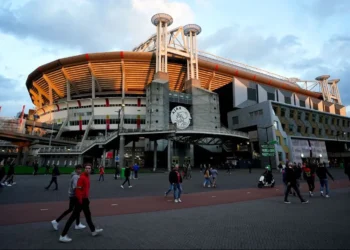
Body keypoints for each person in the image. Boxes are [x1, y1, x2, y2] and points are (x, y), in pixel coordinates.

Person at [59, 163, 103, 243]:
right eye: (86, 168)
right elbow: (78, 190)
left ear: (91, 169)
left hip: (85, 200)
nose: (87, 169)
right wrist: (80, 200)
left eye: (89, 168)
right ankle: (63, 235)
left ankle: (93, 231)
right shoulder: (82, 177)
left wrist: (85, 200)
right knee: (72, 218)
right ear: (84, 169)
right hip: (81, 201)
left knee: (88, 216)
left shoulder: (87, 177)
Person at [51, 165, 86, 231]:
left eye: (80, 169)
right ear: (75, 169)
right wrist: (83, 188)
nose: (80, 170)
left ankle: (77, 224)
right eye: (78, 169)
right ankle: (56, 221)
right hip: (74, 196)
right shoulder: (75, 176)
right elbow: (76, 187)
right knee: (73, 209)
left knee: (75, 209)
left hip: (73, 195)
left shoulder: (76, 175)